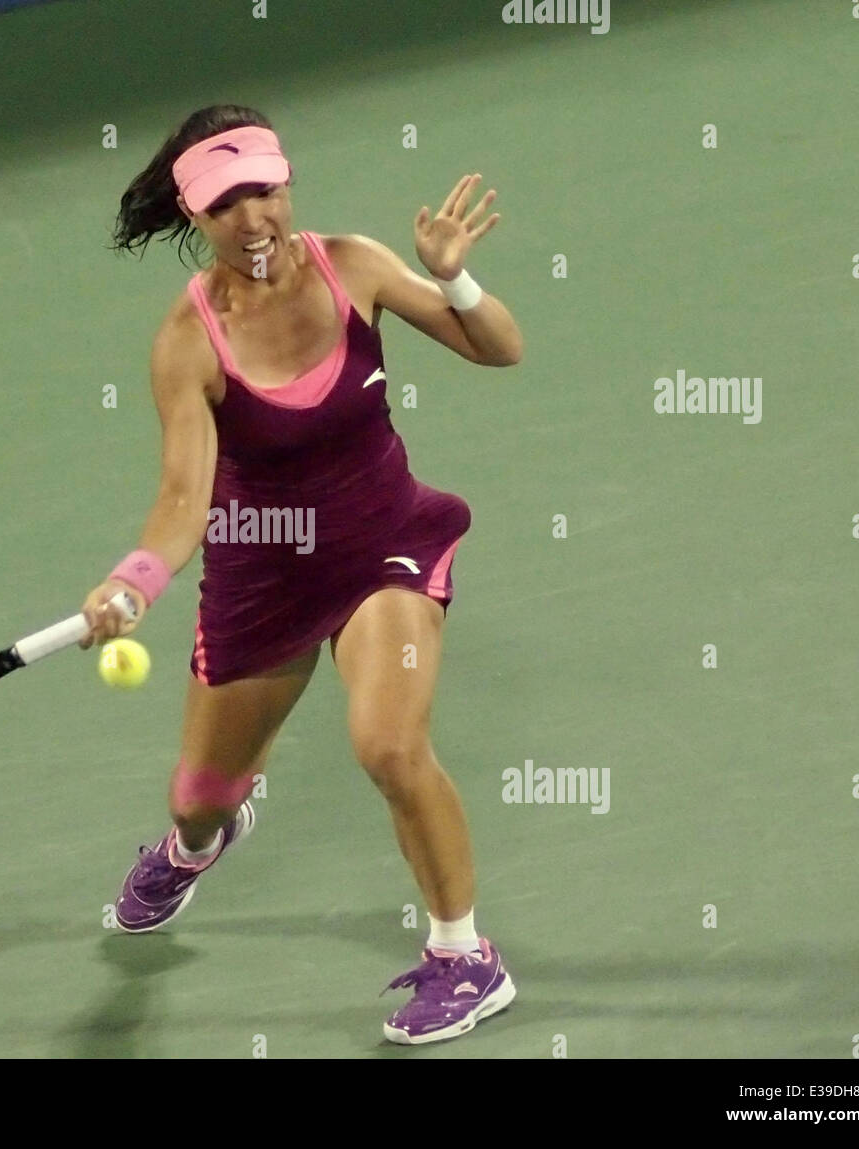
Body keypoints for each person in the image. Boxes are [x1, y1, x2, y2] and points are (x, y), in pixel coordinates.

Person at [80, 104, 523, 1045]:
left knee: (389, 745)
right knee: (199, 795)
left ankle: (465, 957)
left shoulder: (353, 264)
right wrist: (131, 584)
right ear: (193, 216)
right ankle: (194, 847)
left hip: (382, 547)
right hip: (261, 577)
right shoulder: (187, 342)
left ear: (289, 188)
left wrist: (455, 279)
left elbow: (501, 348)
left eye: (265, 192)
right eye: (225, 204)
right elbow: (179, 499)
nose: (253, 220)